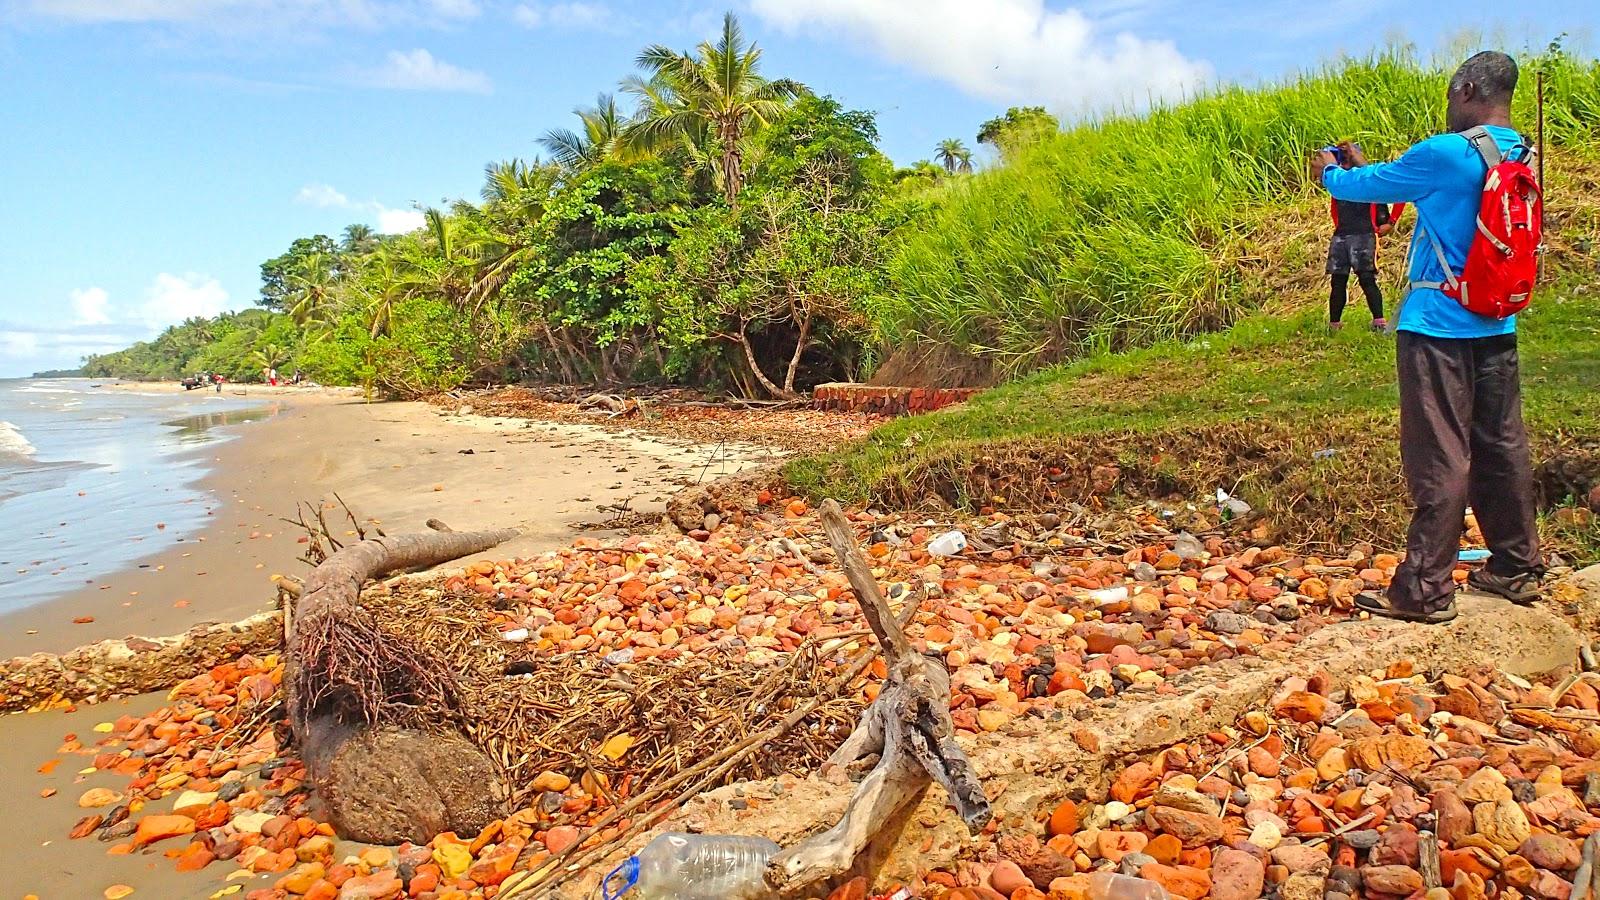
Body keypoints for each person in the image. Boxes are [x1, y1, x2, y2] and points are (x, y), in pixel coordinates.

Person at [1317, 50, 1543, 624]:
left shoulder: (1444, 153)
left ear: (1466, 88)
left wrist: (1329, 171)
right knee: (1501, 443)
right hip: (1498, 319)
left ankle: (1423, 589)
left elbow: (1363, 187)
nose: (1448, 105)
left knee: (1439, 451)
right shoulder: (1522, 152)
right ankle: (1516, 567)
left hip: (1437, 326)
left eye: (1450, 94)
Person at [1324, 159, 1402, 331]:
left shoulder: (1368, 179)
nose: (1344, 164)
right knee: (1337, 281)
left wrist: (1391, 221)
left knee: (1367, 279)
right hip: (1342, 235)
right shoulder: (1339, 181)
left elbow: (1400, 195)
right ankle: (1334, 324)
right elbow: (1334, 209)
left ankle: (1379, 321)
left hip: (1364, 234)